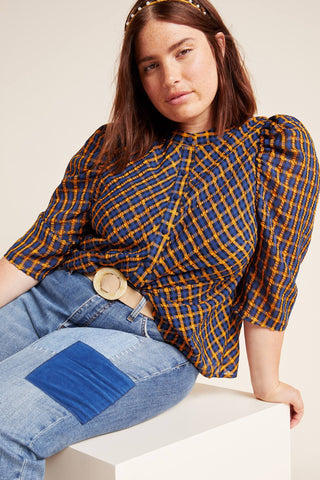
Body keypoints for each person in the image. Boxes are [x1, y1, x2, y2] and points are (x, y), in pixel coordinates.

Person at [0, 0, 319, 478]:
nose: (170, 76)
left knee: (5, 424)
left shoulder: (274, 147)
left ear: (219, 47)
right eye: (151, 65)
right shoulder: (109, 145)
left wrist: (267, 384)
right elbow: (37, 249)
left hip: (144, 338)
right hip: (48, 301)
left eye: (183, 52)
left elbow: (273, 277)